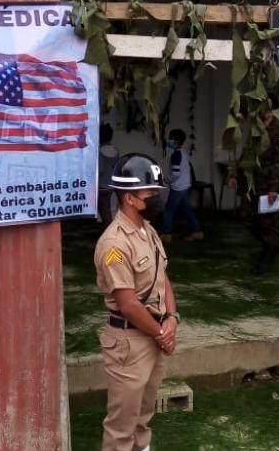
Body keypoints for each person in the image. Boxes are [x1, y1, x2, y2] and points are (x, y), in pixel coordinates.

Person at [94, 153, 181, 451]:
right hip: (129, 342)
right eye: (151, 193)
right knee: (122, 425)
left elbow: (162, 276)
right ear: (130, 198)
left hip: (154, 334)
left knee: (143, 415)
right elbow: (129, 303)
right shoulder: (114, 244)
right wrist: (161, 333)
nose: (157, 197)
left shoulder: (148, 229)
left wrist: (172, 318)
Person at [230, 94, 279, 275]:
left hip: (269, 185)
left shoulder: (278, 131)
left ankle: (264, 259)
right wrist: (235, 174)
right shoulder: (257, 128)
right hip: (253, 184)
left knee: (267, 223)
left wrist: (273, 189)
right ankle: (270, 244)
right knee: (245, 216)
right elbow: (247, 153)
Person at [160, 128, 204, 243]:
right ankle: (197, 231)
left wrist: (166, 180)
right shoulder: (183, 153)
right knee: (187, 210)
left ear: (176, 141)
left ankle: (166, 234)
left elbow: (175, 173)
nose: (169, 140)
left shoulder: (176, 155)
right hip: (185, 187)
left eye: (171, 138)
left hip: (178, 188)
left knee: (169, 211)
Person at [98, 123, 120, 227]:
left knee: (104, 211)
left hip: (102, 186)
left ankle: (110, 233)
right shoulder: (115, 150)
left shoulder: (99, 152)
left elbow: (100, 169)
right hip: (112, 184)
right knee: (111, 209)